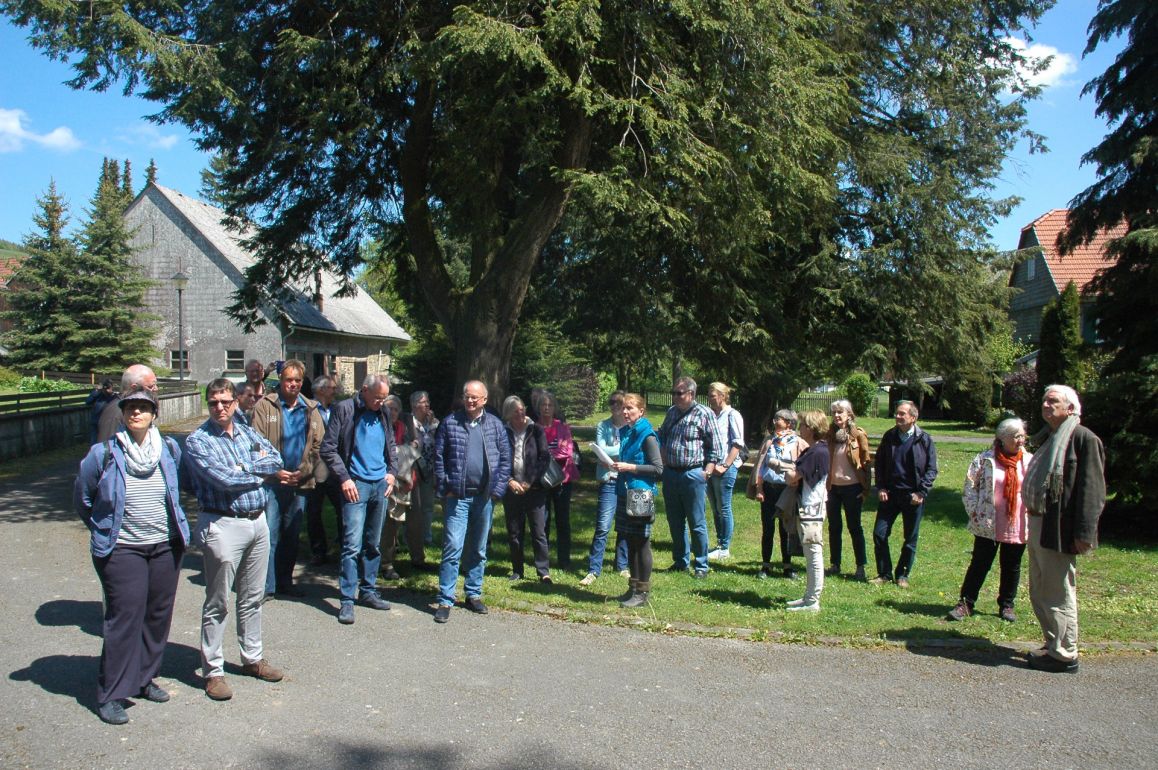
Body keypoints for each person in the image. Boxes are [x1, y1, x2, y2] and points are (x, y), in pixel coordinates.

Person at [74, 389, 189, 725]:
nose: (136, 412)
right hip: (122, 548)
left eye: (143, 408)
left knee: (157, 615)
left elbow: (176, 490)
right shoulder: (105, 453)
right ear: (123, 414)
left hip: (164, 545)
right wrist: (102, 528)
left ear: (154, 414)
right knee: (124, 617)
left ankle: (143, 678)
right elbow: (83, 498)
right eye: (130, 408)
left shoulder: (168, 449)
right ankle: (111, 692)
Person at [182, 378, 284, 702]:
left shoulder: (246, 432)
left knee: (252, 597)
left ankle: (252, 658)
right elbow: (223, 480)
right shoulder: (198, 441)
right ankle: (212, 671)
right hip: (223, 524)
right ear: (207, 404)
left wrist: (246, 466)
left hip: (257, 522)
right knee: (218, 601)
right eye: (214, 402)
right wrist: (258, 471)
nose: (220, 407)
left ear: (235, 402)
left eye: (226, 401)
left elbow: (276, 459)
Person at [1023, 385, 1105, 673]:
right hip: (1039, 523)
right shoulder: (1051, 437)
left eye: (1053, 400)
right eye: (1044, 400)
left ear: (1070, 408)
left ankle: (1064, 654)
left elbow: (1092, 491)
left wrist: (1084, 534)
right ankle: (1052, 642)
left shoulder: (1083, 439)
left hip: (1058, 527)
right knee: (1040, 589)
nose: (1046, 404)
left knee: (1058, 592)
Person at [319, 374, 398, 625]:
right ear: (364, 390)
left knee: (373, 543)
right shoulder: (344, 409)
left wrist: (392, 473)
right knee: (352, 544)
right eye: (377, 397)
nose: (380, 402)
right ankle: (346, 600)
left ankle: (368, 590)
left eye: (384, 398)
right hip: (355, 484)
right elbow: (328, 448)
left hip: (379, 485)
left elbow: (391, 445)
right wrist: (344, 478)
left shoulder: (383, 412)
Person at [432, 380, 512, 623]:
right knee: (453, 547)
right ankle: (446, 599)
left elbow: (505, 460)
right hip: (458, 497)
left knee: (478, 548)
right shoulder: (450, 423)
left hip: (484, 497)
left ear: (484, 400)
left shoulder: (496, 426)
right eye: (467, 396)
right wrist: (445, 487)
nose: (470, 400)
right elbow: (438, 457)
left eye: (475, 397)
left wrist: (497, 491)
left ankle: (473, 593)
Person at [250, 359, 326, 599]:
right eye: (288, 380)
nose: (292, 384)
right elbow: (256, 442)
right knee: (269, 534)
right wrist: (276, 472)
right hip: (272, 483)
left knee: (292, 535)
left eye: (297, 380)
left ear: (302, 382)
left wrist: (301, 473)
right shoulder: (265, 406)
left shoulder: (311, 409)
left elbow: (318, 447)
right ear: (280, 381)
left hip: (300, 482)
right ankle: (266, 586)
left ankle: (285, 582)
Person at [949, 418, 1032, 623]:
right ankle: (966, 603)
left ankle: (1007, 605)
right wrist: (975, 512)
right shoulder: (985, 459)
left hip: (1017, 522)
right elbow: (970, 486)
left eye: (1022, 435)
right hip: (987, 523)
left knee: (1011, 565)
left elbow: (1037, 489)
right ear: (1002, 438)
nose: (1021, 440)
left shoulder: (1029, 460)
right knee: (980, 563)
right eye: (1016, 436)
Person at [657, 377, 725, 578]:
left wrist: (707, 471)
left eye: (679, 393)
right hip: (671, 473)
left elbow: (716, 447)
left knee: (697, 522)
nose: (675, 397)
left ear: (691, 394)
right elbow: (662, 435)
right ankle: (680, 561)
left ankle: (702, 565)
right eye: (674, 393)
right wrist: (663, 460)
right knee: (675, 521)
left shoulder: (704, 414)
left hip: (693, 473)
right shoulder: (671, 413)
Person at [871, 400, 938, 588]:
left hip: (913, 497)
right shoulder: (889, 436)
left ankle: (902, 574)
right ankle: (884, 573)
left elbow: (931, 469)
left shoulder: (924, 439)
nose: (897, 417)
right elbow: (880, 464)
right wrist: (881, 487)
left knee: (910, 538)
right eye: (897, 413)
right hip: (890, 495)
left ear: (913, 417)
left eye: (902, 414)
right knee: (879, 534)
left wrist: (921, 492)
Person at [613, 393, 664, 607]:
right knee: (630, 541)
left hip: (641, 494)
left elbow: (658, 469)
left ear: (641, 411)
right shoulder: (627, 433)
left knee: (641, 543)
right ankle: (633, 588)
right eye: (624, 408)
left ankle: (643, 593)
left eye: (630, 408)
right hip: (626, 491)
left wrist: (630, 467)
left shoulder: (647, 435)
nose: (625, 412)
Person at [580, 391, 630, 586]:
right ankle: (594, 569)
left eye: (619, 403)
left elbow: (631, 451)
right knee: (602, 526)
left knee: (624, 525)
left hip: (627, 479)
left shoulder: (631, 426)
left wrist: (612, 453)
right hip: (608, 480)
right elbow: (601, 451)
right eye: (612, 402)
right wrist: (623, 451)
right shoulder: (603, 425)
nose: (615, 406)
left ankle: (622, 565)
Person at [783, 410, 830, 612]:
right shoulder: (815, 450)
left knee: (813, 554)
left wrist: (783, 469)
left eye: (802, 425)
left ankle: (812, 601)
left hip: (812, 509)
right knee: (811, 554)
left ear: (811, 429)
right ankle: (808, 596)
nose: (799, 428)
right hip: (809, 506)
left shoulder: (817, 452)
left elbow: (793, 477)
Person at [501, 395, 552, 582]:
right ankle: (517, 569)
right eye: (516, 411)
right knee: (514, 531)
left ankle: (543, 571)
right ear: (508, 414)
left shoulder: (536, 429)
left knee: (539, 531)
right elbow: (498, 460)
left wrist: (530, 481)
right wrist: (509, 481)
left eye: (522, 409)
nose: (521, 413)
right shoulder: (503, 431)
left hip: (535, 488)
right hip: (512, 488)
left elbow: (544, 457)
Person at [380, 394, 429, 579]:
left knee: (416, 521)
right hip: (390, 482)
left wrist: (409, 448)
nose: (392, 412)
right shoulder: (380, 427)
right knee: (390, 524)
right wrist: (408, 448)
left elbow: (417, 447)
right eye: (389, 408)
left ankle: (418, 558)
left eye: (395, 409)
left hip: (410, 480)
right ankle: (387, 563)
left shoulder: (404, 427)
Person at [753, 410, 807, 579]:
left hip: (787, 490)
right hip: (769, 489)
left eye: (779, 419)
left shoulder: (797, 442)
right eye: (775, 418)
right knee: (768, 529)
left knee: (787, 529)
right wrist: (759, 488)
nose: (775, 421)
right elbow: (760, 466)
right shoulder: (769, 440)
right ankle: (765, 565)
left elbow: (804, 465)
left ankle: (787, 565)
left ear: (789, 423)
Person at [825, 399, 872, 580]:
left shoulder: (858, 435)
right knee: (834, 527)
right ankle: (835, 564)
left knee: (855, 527)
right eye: (834, 413)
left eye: (840, 412)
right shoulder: (829, 435)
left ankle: (860, 567)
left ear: (849, 415)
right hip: (832, 489)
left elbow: (867, 463)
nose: (836, 416)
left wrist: (866, 489)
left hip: (853, 488)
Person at [304, 375, 345, 565]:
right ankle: (318, 550)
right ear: (320, 390)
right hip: (315, 468)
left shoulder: (338, 409)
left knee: (343, 509)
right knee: (313, 511)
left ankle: (345, 546)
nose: (335, 391)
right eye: (331, 388)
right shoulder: (308, 409)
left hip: (336, 469)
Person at [535, 390, 578, 570]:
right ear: (538, 408)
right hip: (541, 480)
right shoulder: (534, 427)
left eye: (550, 405)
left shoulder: (562, 427)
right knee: (542, 522)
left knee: (563, 521)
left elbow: (566, 452)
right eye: (543, 405)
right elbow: (531, 453)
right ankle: (543, 560)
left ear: (554, 408)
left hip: (562, 479)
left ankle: (564, 560)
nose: (546, 408)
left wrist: (545, 456)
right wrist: (551, 455)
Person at [706, 382, 745, 562]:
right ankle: (719, 543)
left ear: (722, 396)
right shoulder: (711, 415)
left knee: (724, 507)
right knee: (715, 508)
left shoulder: (732, 415)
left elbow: (738, 443)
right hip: (711, 467)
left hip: (725, 468)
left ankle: (724, 547)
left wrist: (726, 465)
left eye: (712, 395)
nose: (709, 398)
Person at [405, 390, 440, 545]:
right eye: (423, 402)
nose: (427, 405)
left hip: (429, 470)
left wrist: (433, 425)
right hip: (411, 470)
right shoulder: (407, 423)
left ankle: (426, 536)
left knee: (427, 506)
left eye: (428, 402)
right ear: (414, 405)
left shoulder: (433, 423)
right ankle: (409, 538)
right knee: (411, 506)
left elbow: (439, 443)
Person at [97, 364, 158, 442]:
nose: (156, 389)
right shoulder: (116, 412)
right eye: (151, 386)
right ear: (134, 388)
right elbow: (106, 449)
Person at [85, 378, 117, 444]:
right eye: (105, 387)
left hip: (108, 423)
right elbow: (87, 402)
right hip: (96, 421)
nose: (106, 389)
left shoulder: (114, 397)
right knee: (94, 442)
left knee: (105, 441)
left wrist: (111, 393)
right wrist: (96, 391)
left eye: (109, 387)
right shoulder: (97, 395)